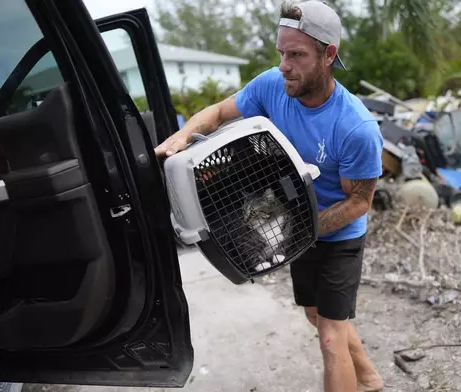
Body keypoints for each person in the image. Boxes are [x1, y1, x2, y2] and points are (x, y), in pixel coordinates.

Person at [154, 1, 384, 391]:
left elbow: (359, 202)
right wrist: (180, 136)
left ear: (329, 55)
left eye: (296, 55)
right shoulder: (271, 86)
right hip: (302, 226)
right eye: (281, 53)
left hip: (340, 235)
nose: (284, 65)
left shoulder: (356, 127)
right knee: (319, 315)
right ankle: (369, 375)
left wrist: (310, 230)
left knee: (329, 338)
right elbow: (218, 112)